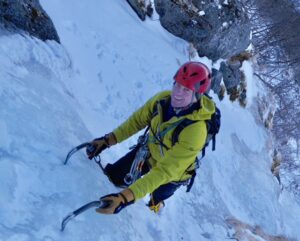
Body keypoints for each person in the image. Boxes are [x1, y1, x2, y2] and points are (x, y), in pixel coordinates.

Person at [86, 61, 216, 214]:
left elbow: (164, 172)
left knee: (157, 196)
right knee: (114, 176)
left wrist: (124, 198)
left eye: (186, 90)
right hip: (149, 153)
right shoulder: (162, 100)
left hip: (174, 173)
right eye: (177, 85)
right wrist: (107, 141)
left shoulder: (195, 130)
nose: (178, 93)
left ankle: (157, 203)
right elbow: (135, 122)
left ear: (197, 95)